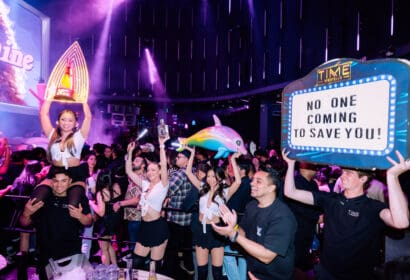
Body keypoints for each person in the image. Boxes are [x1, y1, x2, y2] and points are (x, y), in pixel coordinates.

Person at [282, 149, 410, 279]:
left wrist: (392, 176)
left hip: (358, 276)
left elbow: (401, 222)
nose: (342, 176)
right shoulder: (331, 199)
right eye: (343, 172)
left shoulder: (372, 207)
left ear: (363, 178)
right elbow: (290, 192)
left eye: (348, 173)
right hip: (326, 272)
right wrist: (291, 164)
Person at [212, 168, 297, 280]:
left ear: (272, 188)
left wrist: (234, 234)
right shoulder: (251, 206)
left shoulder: (282, 216)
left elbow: (267, 255)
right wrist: (234, 226)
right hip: (254, 273)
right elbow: (244, 233)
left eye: (258, 181)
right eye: (253, 180)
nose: (252, 183)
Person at [19, 166, 92, 280]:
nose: (59, 185)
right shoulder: (44, 199)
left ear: (70, 181)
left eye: (63, 181)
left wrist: (80, 216)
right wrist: (26, 213)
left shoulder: (77, 198)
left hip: (70, 253)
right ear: (51, 181)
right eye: (56, 181)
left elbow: (89, 221)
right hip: (46, 255)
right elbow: (24, 223)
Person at [184, 146, 242, 280]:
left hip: (216, 232)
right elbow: (188, 173)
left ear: (219, 178)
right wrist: (192, 154)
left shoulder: (225, 192)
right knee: (202, 272)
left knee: (217, 273)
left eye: (213, 176)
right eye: (208, 176)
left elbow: (238, 181)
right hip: (201, 230)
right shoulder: (202, 188)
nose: (210, 179)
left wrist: (232, 159)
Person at [31, 99, 92, 207]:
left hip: (75, 174)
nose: (66, 123)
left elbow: (88, 117)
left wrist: (83, 100)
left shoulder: (79, 136)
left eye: (70, 120)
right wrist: (49, 98)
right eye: (63, 119)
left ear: (76, 123)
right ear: (58, 122)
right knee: (36, 200)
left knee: (73, 204)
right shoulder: (52, 135)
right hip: (55, 172)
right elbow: (43, 114)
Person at [127, 136, 169, 279]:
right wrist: (130, 153)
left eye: (154, 170)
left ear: (159, 171)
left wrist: (162, 145)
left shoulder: (163, 185)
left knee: (154, 267)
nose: (150, 172)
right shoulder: (145, 184)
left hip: (157, 227)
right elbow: (129, 172)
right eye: (149, 170)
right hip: (145, 227)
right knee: (137, 261)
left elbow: (164, 164)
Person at [163, 149, 195, 277]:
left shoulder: (180, 174)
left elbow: (167, 191)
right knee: (186, 248)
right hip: (188, 217)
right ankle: (190, 269)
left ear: (187, 159)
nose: (176, 158)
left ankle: (167, 275)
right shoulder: (193, 172)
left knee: (171, 249)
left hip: (176, 218)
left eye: (180, 156)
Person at [113, 145, 147, 253]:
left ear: (143, 166)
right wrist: (129, 152)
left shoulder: (143, 179)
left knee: (137, 245)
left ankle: (138, 266)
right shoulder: (133, 176)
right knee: (133, 243)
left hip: (138, 217)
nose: (133, 162)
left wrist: (121, 203)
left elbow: (138, 199)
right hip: (131, 216)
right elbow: (128, 170)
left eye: (136, 161)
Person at [89, 168, 122, 265]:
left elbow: (101, 212)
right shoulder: (116, 186)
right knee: (109, 245)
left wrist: (91, 204)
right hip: (115, 220)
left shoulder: (101, 193)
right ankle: (115, 268)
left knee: (103, 249)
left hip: (105, 223)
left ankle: (107, 272)